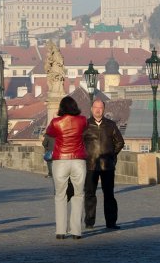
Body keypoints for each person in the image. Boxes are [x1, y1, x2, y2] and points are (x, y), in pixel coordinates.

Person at [45, 96, 88, 240]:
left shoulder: (56, 122)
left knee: (60, 196)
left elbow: (49, 133)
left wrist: (53, 118)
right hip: (78, 160)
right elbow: (85, 130)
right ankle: (76, 231)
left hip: (61, 161)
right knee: (78, 194)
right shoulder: (82, 120)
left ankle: (61, 231)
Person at [82, 99, 125, 230]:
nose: (98, 110)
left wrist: (112, 154)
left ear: (104, 109)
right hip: (90, 164)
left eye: (100, 108)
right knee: (90, 193)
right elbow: (79, 142)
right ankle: (89, 222)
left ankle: (111, 222)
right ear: (91, 109)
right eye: (96, 107)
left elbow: (120, 142)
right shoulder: (85, 125)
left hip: (107, 165)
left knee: (109, 194)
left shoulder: (111, 125)